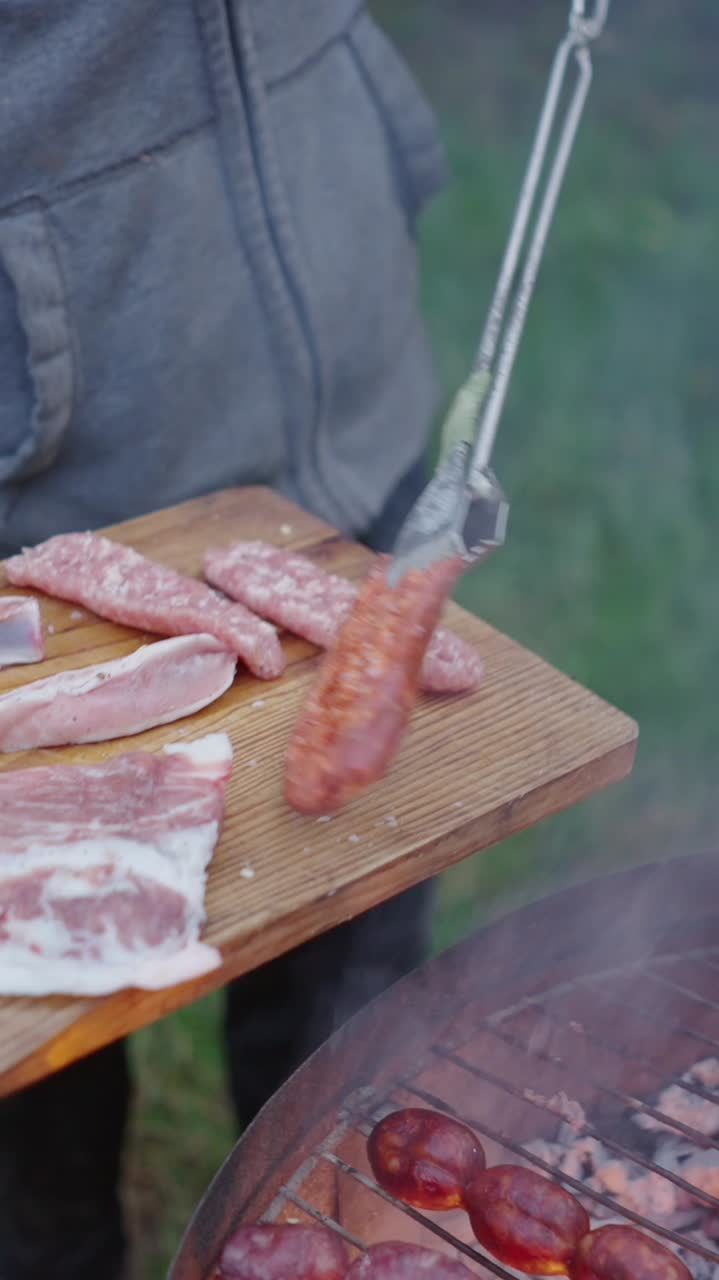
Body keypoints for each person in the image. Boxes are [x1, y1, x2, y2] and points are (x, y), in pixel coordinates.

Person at [0, 4, 448, 1277]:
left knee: (344, 1011)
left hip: (353, 385)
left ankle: (320, 1228)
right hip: (46, 459)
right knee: (37, 1083)